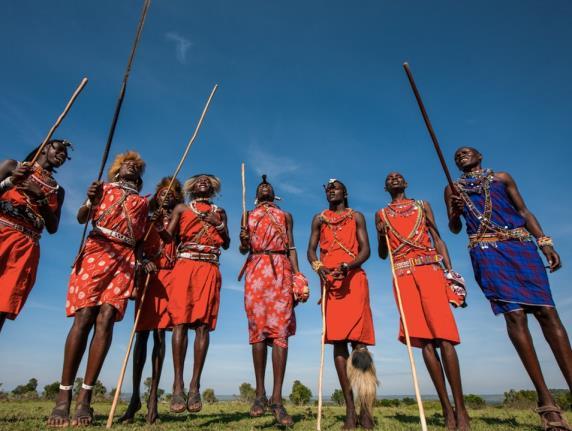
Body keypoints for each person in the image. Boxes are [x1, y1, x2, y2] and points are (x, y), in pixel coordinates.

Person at [446, 147, 571, 431]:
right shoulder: (452, 187)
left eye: (466, 152)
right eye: (456, 156)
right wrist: (455, 209)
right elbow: (454, 227)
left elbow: (523, 211)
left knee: (547, 312)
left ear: (480, 155)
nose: (460, 156)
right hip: (486, 250)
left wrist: (545, 242)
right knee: (514, 317)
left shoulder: (502, 178)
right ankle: (548, 405)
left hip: (520, 245)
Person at [48, 151, 151, 427]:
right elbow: (83, 217)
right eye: (127, 164)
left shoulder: (143, 203)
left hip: (125, 259)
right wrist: (91, 199)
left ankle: (85, 400)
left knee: (106, 320)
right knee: (84, 317)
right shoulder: (101, 188)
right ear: (117, 170)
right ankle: (62, 399)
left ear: (139, 179)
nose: (131, 167)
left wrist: (139, 264)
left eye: (136, 167)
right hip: (97, 250)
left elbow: (140, 239)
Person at [376, 172, 470, 431]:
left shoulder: (422, 205)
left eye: (399, 177)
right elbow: (384, 255)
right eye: (390, 178)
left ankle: (461, 410)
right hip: (403, 275)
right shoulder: (381, 214)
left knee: (445, 337)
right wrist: (382, 234)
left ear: (406, 183)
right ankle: (446, 410)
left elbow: (438, 238)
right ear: (386, 187)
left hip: (430, 269)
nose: (394, 179)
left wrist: (450, 274)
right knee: (425, 341)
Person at [238, 175, 309, 426]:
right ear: (257, 195)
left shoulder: (285, 215)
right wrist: (244, 239)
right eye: (260, 186)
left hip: (281, 269)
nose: (265, 187)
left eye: (268, 186)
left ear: (274, 194)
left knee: (280, 332)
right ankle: (260, 395)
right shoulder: (248, 214)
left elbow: (291, 248)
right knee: (258, 331)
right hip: (256, 269)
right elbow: (242, 249)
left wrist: (297, 278)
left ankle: (277, 400)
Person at [307, 179, 377, 430]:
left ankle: (366, 409)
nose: (331, 190)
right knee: (338, 342)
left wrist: (349, 265)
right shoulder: (319, 219)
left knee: (360, 343)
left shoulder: (356, 216)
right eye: (327, 188)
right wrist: (320, 270)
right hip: (331, 283)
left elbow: (367, 249)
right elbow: (311, 251)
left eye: (336, 187)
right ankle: (349, 409)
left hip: (354, 278)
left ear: (345, 193)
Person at [119, 177, 183, 424]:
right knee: (142, 335)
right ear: (156, 193)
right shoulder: (145, 214)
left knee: (160, 336)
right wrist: (140, 261)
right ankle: (134, 397)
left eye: (172, 193)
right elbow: (134, 243)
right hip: (146, 276)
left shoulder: (179, 218)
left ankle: (153, 400)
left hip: (170, 277)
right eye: (162, 191)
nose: (166, 195)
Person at [166, 174, 230, 414]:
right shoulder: (182, 208)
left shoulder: (220, 211)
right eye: (199, 180)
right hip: (185, 266)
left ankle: (194, 386)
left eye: (208, 180)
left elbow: (227, 243)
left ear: (213, 187)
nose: (204, 182)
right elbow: (168, 237)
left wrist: (219, 224)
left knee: (203, 325)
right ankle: (178, 385)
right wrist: (158, 221)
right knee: (180, 323)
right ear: (192, 187)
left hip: (210, 267)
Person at [0, 140, 71, 333]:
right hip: (2, 234)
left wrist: (41, 198)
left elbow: (53, 227)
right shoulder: (13, 166)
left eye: (66, 154)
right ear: (45, 147)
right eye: (59, 149)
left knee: (2, 306)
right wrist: (9, 182)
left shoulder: (58, 190)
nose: (62, 155)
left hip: (25, 248)